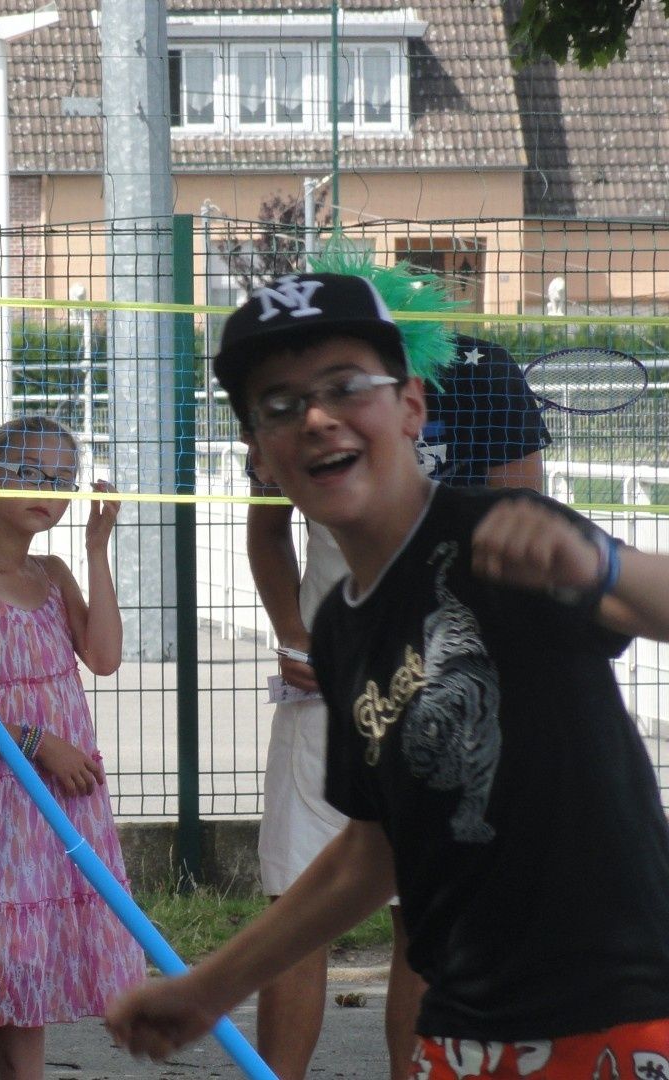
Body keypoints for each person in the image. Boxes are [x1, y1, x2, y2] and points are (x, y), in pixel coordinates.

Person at [106, 272, 669, 1077]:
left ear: (411, 405)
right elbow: (371, 851)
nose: (316, 418)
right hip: (463, 1038)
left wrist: (604, 567)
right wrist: (209, 989)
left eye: (345, 386)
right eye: (278, 404)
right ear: (259, 456)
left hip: (621, 1017)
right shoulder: (343, 631)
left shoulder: (498, 541)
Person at [249, 267, 551, 1080]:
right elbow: (266, 530)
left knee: (428, 921)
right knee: (297, 910)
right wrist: (294, 636)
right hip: (327, 692)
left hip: (455, 697)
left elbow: (526, 521)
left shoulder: (484, 375)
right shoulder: (297, 392)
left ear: (411, 401)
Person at [0, 415, 145, 1080]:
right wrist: (38, 743)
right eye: (27, 474)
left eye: (61, 479)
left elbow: (104, 656)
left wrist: (97, 551)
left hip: (59, 811)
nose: (47, 490)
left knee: (26, 983)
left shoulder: (52, 573)